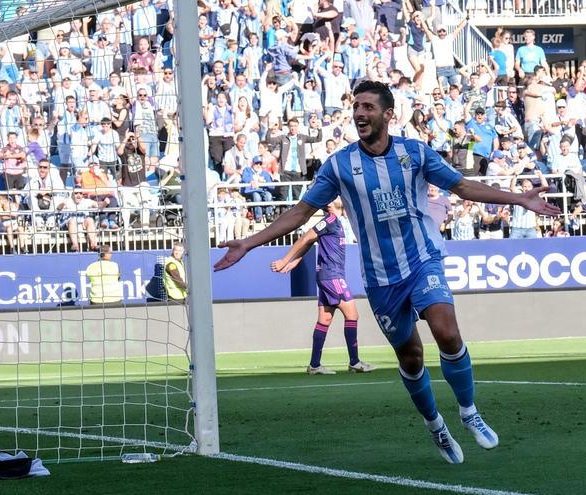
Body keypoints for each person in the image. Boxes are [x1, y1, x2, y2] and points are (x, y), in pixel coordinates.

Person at [215, 81, 560, 464]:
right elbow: (301, 212)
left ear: (387, 114)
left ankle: (468, 411)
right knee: (411, 357)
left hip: (422, 260)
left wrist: (518, 199)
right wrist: (249, 242)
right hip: (381, 277)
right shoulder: (341, 164)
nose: (359, 113)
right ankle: (436, 426)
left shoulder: (415, 153)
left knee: (446, 331)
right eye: (356, 107)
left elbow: (462, 186)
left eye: (367, 107)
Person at [270, 201, 375, 375]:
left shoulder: (334, 221)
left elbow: (310, 242)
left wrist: (295, 260)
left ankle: (314, 365)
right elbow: (305, 238)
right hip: (332, 276)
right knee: (352, 315)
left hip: (328, 275)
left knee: (324, 319)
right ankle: (355, 362)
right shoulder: (330, 219)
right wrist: (285, 259)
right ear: (330, 203)